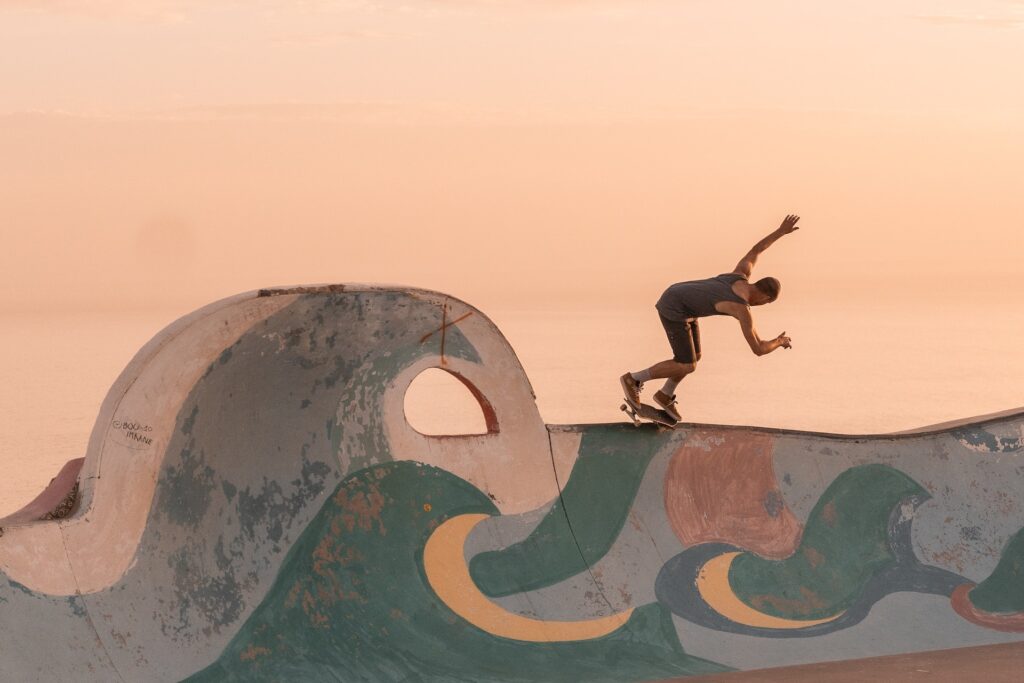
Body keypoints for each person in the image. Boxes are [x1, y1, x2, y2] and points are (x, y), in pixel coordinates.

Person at [620, 214, 800, 422]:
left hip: (683, 301)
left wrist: (780, 232)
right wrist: (779, 341)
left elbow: (757, 249)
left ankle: (665, 394)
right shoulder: (742, 309)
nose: (760, 306)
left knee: (694, 357)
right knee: (687, 364)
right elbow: (758, 348)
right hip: (674, 307)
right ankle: (633, 379)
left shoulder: (741, 273)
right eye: (765, 303)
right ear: (766, 297)